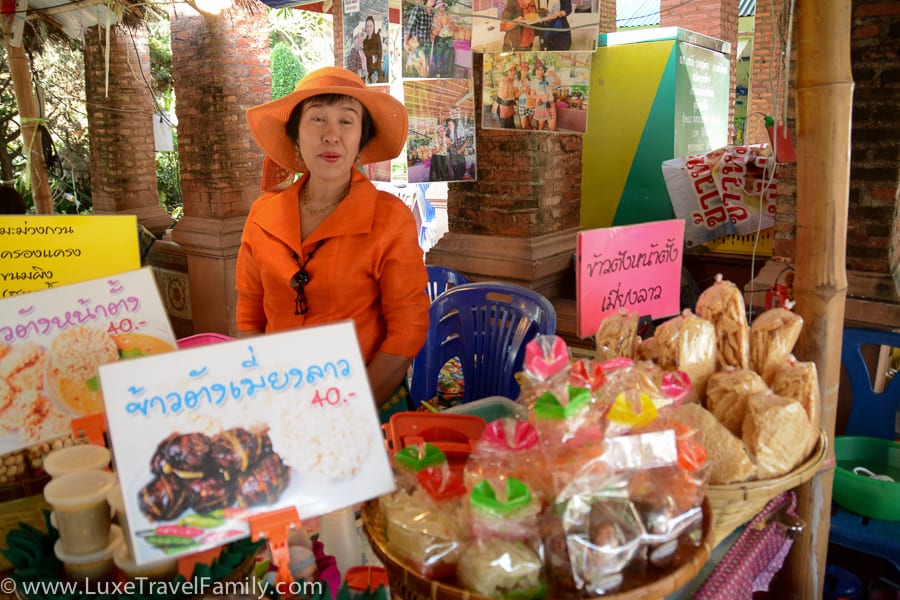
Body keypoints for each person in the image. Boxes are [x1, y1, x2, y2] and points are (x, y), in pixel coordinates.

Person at [239, 67, 429, 415]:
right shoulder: (262, 216)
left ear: (361, 139)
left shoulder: (390, 219)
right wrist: (263, 396)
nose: (331, 135)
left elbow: (408, 331)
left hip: (367, 406)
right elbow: (249, 317)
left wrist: (347, 410)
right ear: (294, 135)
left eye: (346, 121)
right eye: (317, 119)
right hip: (281, 404)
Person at [362, 16, 385, 84]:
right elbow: (364, 56)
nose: (369, 28)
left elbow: (379, 54)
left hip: (376, 72)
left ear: (374, 26)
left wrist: (374, 72)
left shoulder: (377, 37)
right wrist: (372, 53)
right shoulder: (364, 41)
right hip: (367, 73)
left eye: (371, 26)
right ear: (365, 27)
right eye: (367, 26)